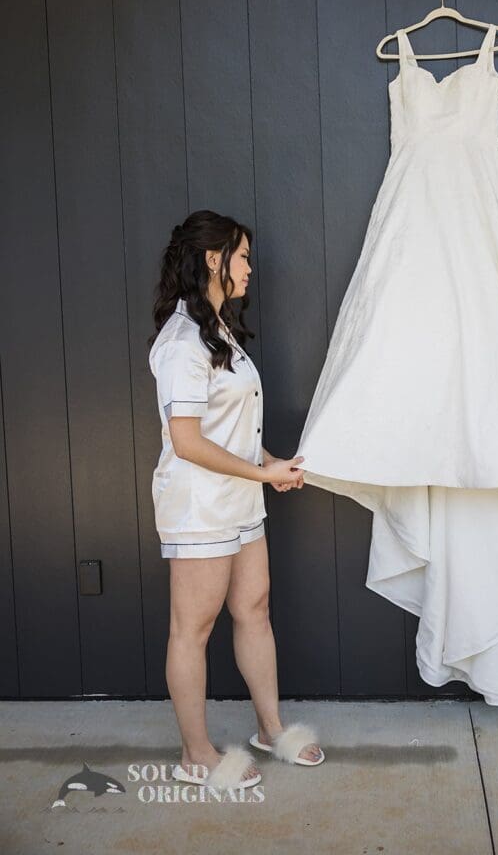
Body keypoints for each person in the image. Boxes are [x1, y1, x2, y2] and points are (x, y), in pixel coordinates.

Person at [148, 210, 325, 790]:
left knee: (254, 609)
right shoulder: (180, 343)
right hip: (199, 508)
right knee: (191, 629)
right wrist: (260, 470)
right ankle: (196, 753)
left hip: (241, 500)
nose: (251, 268)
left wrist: (270, 468)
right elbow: (187, 442)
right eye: (243, 256)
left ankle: (271, 730)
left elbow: (234, 431)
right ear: (212, 259)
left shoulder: (218, 331)